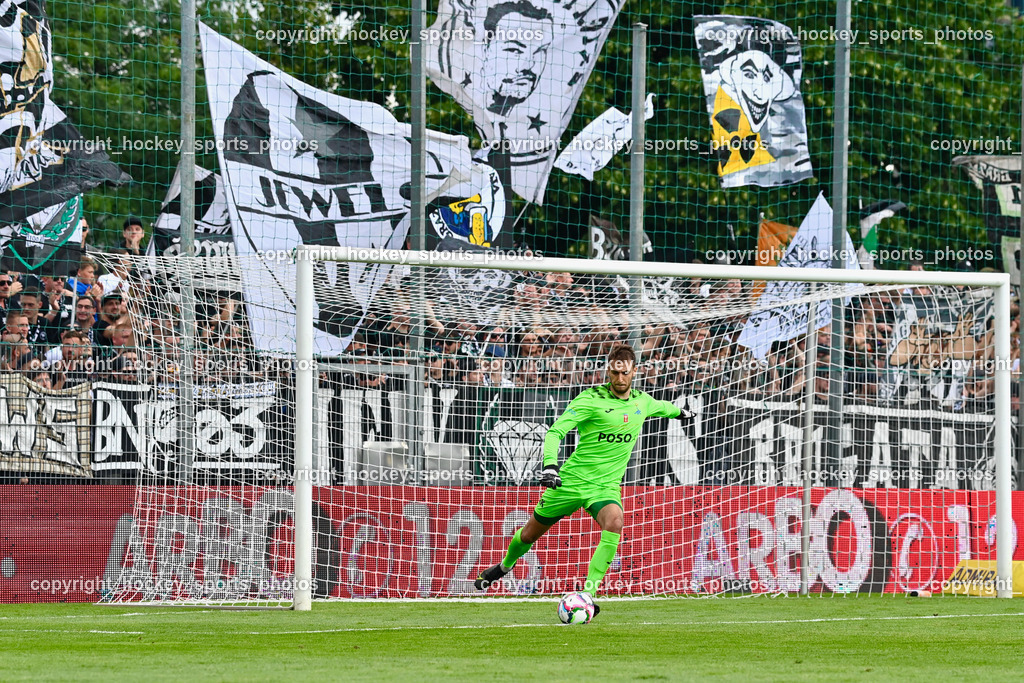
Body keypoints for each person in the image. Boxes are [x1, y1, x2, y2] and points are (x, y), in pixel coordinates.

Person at [474, 343, 692, 615]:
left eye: (625, 373)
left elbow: (664, 408)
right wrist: (550, 467)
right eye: (615, 372)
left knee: (615, 522)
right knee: (529, 534)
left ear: (634, 371)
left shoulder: (642, 401)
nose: (620, 378)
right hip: (571, 482)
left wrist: (682, 412)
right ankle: (505, 566)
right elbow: (555, 431)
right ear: (608, 371)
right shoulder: (590, 399)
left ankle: (588, 594)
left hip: (605, 487)